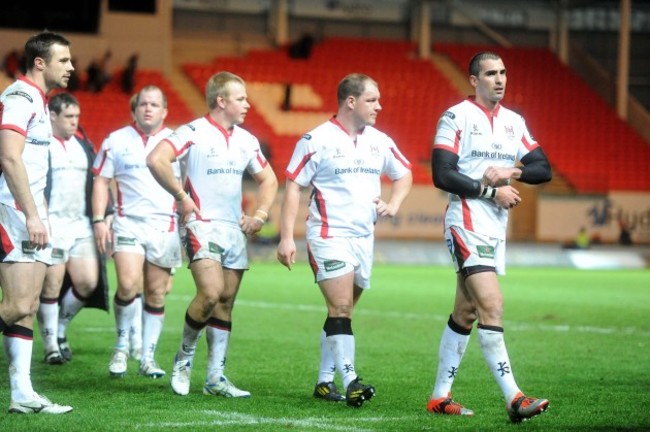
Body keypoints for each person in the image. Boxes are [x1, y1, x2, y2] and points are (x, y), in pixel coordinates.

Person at [428, 51, 552, 423]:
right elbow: (442, 173)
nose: (499, 80)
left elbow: (542, 167)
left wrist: (511, 170)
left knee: (465, 312)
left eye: (503, 73)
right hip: (465, 221)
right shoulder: (455, 117)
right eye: (490, 74)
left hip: (494, 229)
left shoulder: (515, 122)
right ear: (473, 80)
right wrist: (489, 191)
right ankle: (514, 397)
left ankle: (439, 398)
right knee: (492, 305)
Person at [276, 73, 412, 407]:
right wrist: (286, 238)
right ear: (351, 102)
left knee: (343, 313)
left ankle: (324, 382)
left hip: (364, 239)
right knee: (340, 306)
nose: (379, 106)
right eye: (372, 100)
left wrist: (393, 203)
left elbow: (404, 173)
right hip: (327, 235)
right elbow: (294, 186)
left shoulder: (379, 140)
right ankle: (351, 380)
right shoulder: (316, 139)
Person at [146, 71, 278, 398]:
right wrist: (181, 196)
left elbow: (270, 180)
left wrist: (260, 215)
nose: (248, 104)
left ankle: (215, 378)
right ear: (222, 101)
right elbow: (156, 159)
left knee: (225, 304)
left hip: (234, 228)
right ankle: (183, 359)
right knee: (210, 293)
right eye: (241, 98)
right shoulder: (193, 132)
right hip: (201, 224)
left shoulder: (247, 140)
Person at [0, 30, 74, 414]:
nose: (72, 67)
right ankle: (23, 393)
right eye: (64, 60)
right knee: (15, 306)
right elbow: (9, 158)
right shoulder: (19, 96)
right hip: (13, 211)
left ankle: (22, 394)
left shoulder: (39, 102)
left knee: (26, 306)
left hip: (29, 212)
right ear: (40, 62)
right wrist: (30, 214)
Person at [92, 85, 182, 379]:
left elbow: (192, 184)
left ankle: (148, 357)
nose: (148, 108)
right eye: (143, 103)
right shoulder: (116, 141)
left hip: (164, 225)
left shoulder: (178, 143)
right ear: (136, 108)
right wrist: (98, 218)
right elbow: (101, 181)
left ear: (164, 111)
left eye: (154, 104)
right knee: (128, 285)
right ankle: (121, 346)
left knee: (156, 293)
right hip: (128, 222)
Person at [36, 93, 111, 365]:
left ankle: (60, 328)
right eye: (68, 116)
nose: (73, 122)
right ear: (52, 116)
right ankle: (50, 347)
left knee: (88, 282)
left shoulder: (83, 144)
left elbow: (98, 182)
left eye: (76, 117)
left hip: (80, 224)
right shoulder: (41, 144)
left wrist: (106, 213)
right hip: (52, 224)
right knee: (51, 287)